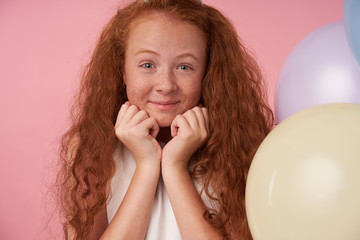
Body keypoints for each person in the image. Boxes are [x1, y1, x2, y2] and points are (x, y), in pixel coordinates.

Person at [58, 0, 274, 239]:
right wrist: (147, 166)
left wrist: (175, 168)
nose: (166, 85)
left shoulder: (237, 144)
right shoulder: (90, 146)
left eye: (184, 67)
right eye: (148, 65)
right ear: (123, 71)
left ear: (207, 73)